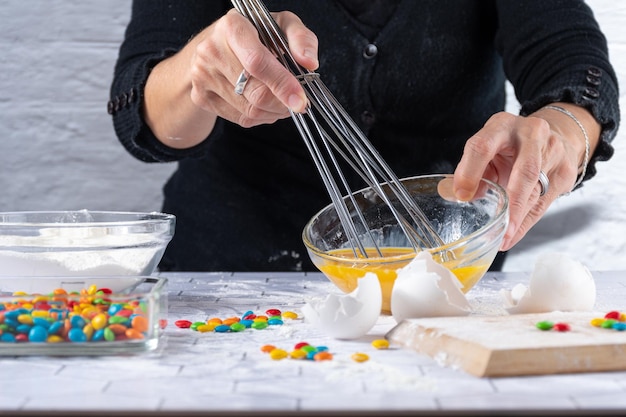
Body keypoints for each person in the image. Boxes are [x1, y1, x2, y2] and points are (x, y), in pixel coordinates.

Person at [109, 0, 619, 273]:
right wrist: (200, 73)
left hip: (442, 285)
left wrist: (559, 133)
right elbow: (140, 112)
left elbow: (570, 58)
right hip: (230, 279)